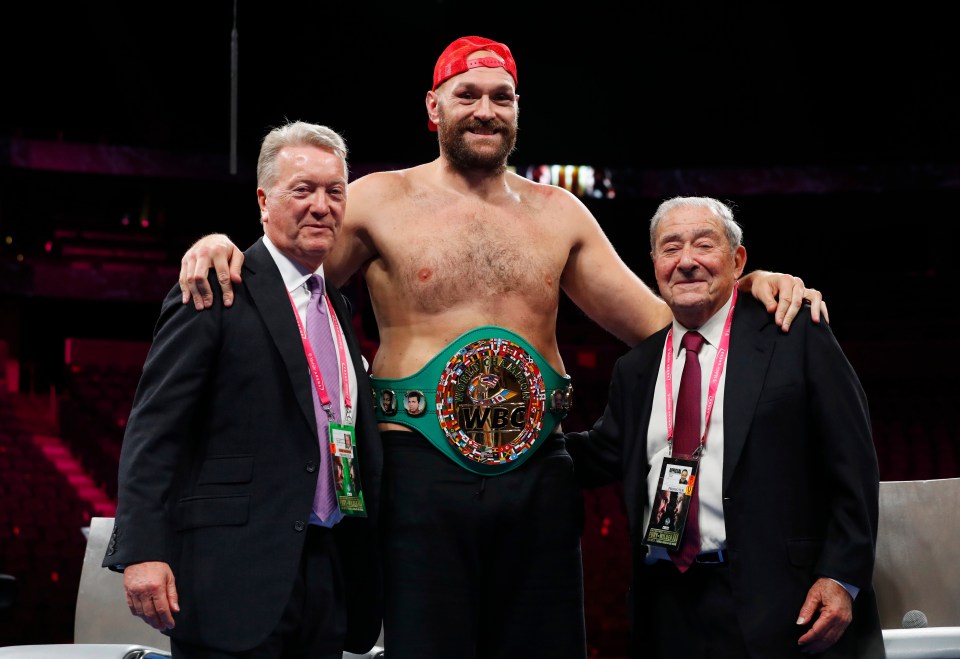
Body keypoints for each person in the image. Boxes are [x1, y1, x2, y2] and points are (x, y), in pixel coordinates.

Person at [175, 36, 827, 659]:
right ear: (434, 107)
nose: (485, 109)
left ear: (517, 109)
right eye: (467, 94)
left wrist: (744, 289)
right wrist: (225, 245)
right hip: (417, 470)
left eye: (501, 96)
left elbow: (662, 326)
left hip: (538, 474)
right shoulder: (379, 198)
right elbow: (290, 283)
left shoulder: (560, 212)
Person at [102, 121, 383, 659]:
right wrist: (142, 551)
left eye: (335, 191)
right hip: (230, 574)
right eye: (302, 190)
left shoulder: (339, 306)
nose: (321, 206)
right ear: (263, 200)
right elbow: (154, 429)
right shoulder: (216, 283)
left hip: (326, 566)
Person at [566, 196, 884, 658]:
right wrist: (504, 441)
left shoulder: (794, 335)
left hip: (781, 600)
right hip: (668, 607)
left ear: (737, 261)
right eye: (670, 248)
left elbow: (853, 463)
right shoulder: (636, 369)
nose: (687, 261)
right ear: (654, 264)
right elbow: (597, 455)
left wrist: (842, 576)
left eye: (703, 245)